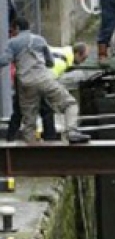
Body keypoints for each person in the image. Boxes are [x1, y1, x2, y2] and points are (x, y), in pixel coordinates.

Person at [0, 17, 90, 145]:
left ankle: (31, 148)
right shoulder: (40, 40)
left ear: (17, 28)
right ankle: (71, 132)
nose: (11, 33)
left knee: (29, 121)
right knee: (70, 104)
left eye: (12, 30)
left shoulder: (13, 43)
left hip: (25, 84)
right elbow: (50, 62)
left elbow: (4, 60)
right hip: (44, 79)